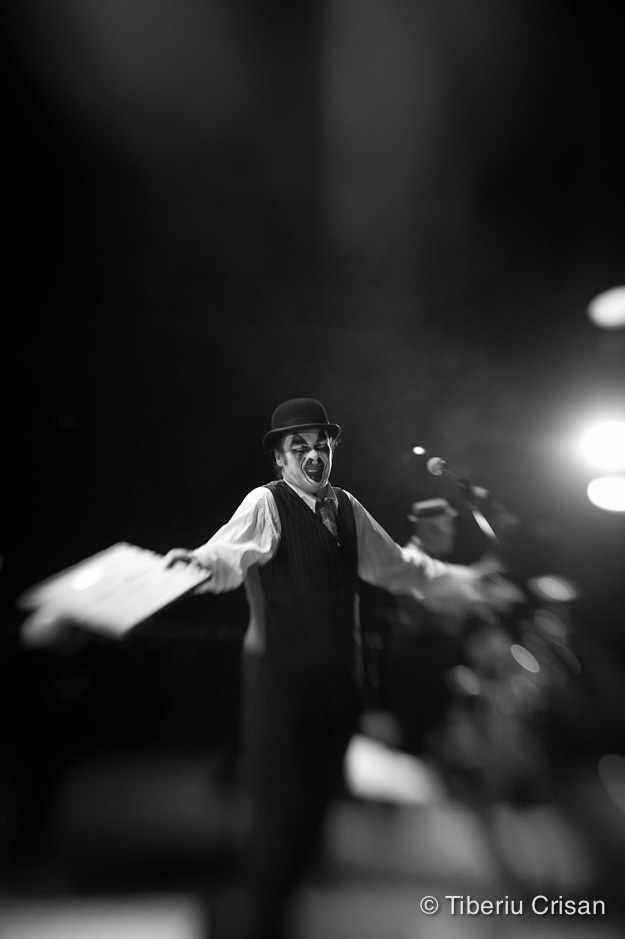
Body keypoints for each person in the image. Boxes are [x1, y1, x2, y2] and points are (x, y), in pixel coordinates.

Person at [165, 397, 521, 939]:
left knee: (315, 812)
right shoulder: (266, 503)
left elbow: (401, 568)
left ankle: (281, 916)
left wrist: (471, 584)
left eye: (321, 445)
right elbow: (224, 558)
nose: (314, 456)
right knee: (278, 815)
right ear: (280, 458)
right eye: (300, 447)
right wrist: (196, 563)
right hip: (281, 684)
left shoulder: (348, 508)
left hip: (337, 686)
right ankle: (260, 922)